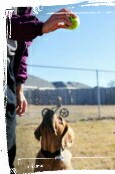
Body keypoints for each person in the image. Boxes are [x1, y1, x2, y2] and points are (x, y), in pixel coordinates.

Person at [6, 7, 77, 173]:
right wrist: (38, 27)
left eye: (60, 121)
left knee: (7, 149)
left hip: (8, 69)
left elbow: (22, 47)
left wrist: (19, 87)